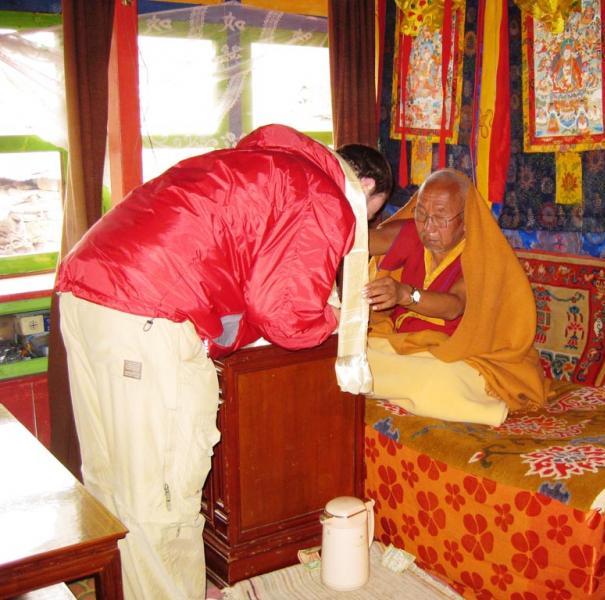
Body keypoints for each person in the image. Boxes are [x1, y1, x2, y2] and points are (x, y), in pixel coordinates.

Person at [55, 124, 392, 600]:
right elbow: (285, 315)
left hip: (86, 291)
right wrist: (338, 318)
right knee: (161, 497)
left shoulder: (267, 165)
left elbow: (241, 276)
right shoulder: (325, 195)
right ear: (366, 189)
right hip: (148, 313)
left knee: (114, 481)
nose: (361, 228)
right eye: (370, 217)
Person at [363, 168, 549, 427]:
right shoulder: (410, 233)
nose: (428, 227)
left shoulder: (483, 254)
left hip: (463, 354)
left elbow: (454, 306)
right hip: (407, 347)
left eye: (440, 217)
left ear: (466, 219)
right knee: (353, 356)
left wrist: (406, 294)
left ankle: (461, 400)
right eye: (421, 214)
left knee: (440, 378)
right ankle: (408, 392)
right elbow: (358, 241)